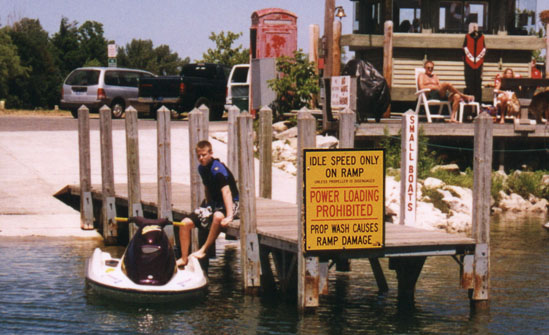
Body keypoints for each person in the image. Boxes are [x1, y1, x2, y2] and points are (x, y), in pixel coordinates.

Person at [176, 140, 239, 267]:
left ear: (211, 153)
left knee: (218, 217)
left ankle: (203, 250)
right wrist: (207, 206)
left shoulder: (218, 169)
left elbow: (226, 192)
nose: (201, 158)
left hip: (231, 202)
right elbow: (207, 187)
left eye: (204, 155)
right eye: (198, 155)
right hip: (214, 203)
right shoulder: (201, 168)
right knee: (184, 223)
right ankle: (183, 258)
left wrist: (230, 216)